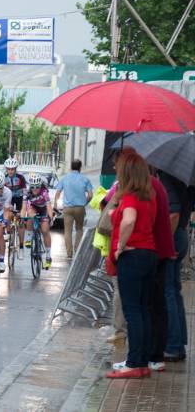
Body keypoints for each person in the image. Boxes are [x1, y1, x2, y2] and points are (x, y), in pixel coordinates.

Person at [106, 152, 158, 379]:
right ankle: (142, 360)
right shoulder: (149, 196)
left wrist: (119, 247)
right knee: (143, 310)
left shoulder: (130, 197)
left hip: (133, 255)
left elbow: (129, 220)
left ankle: (134, 363)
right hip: (149, 254)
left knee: (132, 311)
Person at [157, 170, 193, 362]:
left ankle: (172, 346)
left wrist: (165, 241)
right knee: (174, 290)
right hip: (181, 234)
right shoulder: (185, 178)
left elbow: (174, 211)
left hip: (173, 235)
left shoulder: (168, 175)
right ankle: (178, 343)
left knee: (168, 291)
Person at [55, 159, 93, 258]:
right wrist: (85, 202)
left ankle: (69, 253)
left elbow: (58, 193)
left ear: (71, 167)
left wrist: (56, 205)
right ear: (80, 168)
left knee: (67, 231)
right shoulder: (85, 179)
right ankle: (77, 251)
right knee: (79, 229)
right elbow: (90, 195)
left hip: (67, 208)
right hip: (80, 208)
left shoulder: (64, 178)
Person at [21, 173, 54, 269]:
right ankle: (29, 237)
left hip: (43, 208)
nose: (35, 189)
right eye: (33, 187)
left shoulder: (44, 192)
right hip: (33, 207)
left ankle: (48, 256)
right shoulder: (26, 192)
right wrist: (23, 218)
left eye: (37, 187)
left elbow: (48, 206)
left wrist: (50, 218)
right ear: (30, 186)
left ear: (40, 186)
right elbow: (24, 207)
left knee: (45, 230)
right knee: (30, 215)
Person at [3, 157, 27, 254]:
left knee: (20, 220)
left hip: (20, 198)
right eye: (8, 169)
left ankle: (21, 246)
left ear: (15, 169)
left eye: (12, 169)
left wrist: (24, 208)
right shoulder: (4, 178)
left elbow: (25, 193)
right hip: (10, 198)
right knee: (8, 215)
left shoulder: (20, 178)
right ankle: (8, 233)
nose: (10, 171)